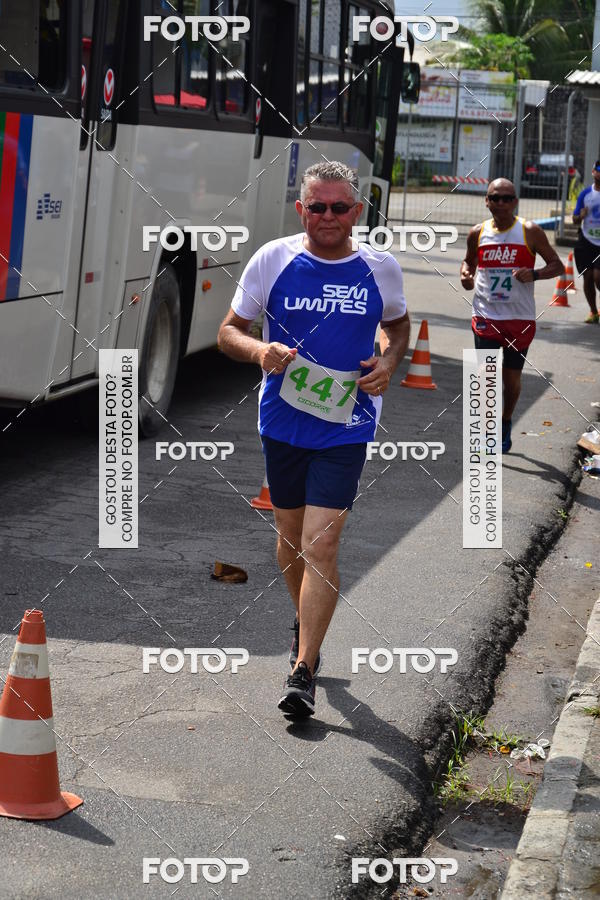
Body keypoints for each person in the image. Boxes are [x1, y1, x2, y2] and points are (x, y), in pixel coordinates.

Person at [217, 161, 410, 717]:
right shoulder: (272, 260)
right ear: (301, 210)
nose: (329, 217)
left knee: (322, 542)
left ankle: (303, 666)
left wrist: (389, 362)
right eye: (318, 207)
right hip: (283, 418)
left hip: (347, 422)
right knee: (291, 537)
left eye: (340, 207)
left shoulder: (381, 267)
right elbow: (229, 331)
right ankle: (306, 613)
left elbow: (398, 326)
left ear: (358, 210)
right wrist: (259, 352)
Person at [460, 178, 564, 453]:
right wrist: (466, 275)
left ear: (515, 201)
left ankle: (505, 420)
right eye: (495, 198)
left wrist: (536, 274)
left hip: (519, 317)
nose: (501, 203)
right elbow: (469, 261)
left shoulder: (529, 231)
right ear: (487, 201)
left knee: (511, 377)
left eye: (507, 198)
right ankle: (489, 427)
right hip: (486, 313)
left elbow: (558, 265)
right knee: (485, 374)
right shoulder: (477, 233)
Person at [572, 160, 600, 323]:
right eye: (598, 168)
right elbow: (575, 219)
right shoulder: (585, 194)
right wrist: (580, 216)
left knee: (598, 277)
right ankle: (593, 312)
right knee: (588, 277)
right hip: (586, 240)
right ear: (593, 171)